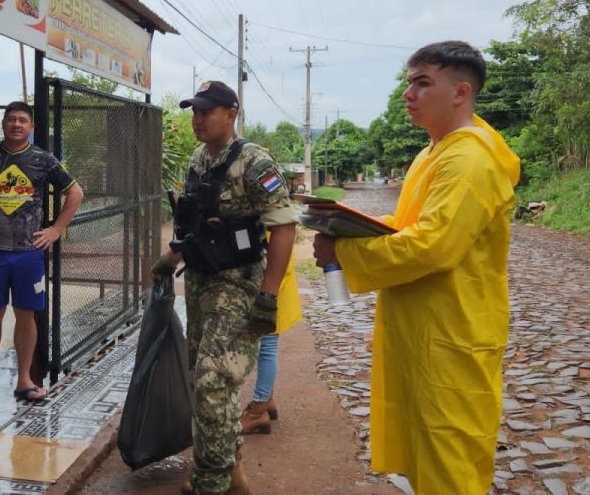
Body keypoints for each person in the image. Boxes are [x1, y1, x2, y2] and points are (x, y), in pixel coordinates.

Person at [312, 41, 520, 494]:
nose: (409, 93)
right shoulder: (434, 152)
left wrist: (344, 255)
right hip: (424, 330)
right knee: (427, 456)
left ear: (460, 92)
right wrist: (353, 225)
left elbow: (433, 247)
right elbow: (413, 224)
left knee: (451, 463)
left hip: (452, 334)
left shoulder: (469, 159)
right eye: (409, 82)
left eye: (422, 83)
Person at [159, 80, 297, 495]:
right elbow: (194, 221)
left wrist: (268, 296)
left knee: (213, 379)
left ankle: (212, 482)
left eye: (206, 111)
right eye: (194, 111)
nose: (197, 119)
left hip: (238, 283)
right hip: (201, 281)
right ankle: (231, 470)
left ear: (231, 113)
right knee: (200, 377)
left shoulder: (255, 162)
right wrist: (172, 258)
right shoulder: (199, 159)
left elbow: (285, 227)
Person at [0, 101, 84, 404]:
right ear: (3, 124)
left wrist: (56, 229)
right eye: (11, 120)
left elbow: (76, 192)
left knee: (26, 316)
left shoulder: (43, 159)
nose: (16, 125)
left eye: (22, 121)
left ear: (31, 127)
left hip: (29, 253)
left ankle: (24, 379)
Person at [237, 244, 302, 435]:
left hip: (269, 286)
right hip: (274, 284)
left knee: (266, 347)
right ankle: (266, 400)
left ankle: (258, 410)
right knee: (267, 346)